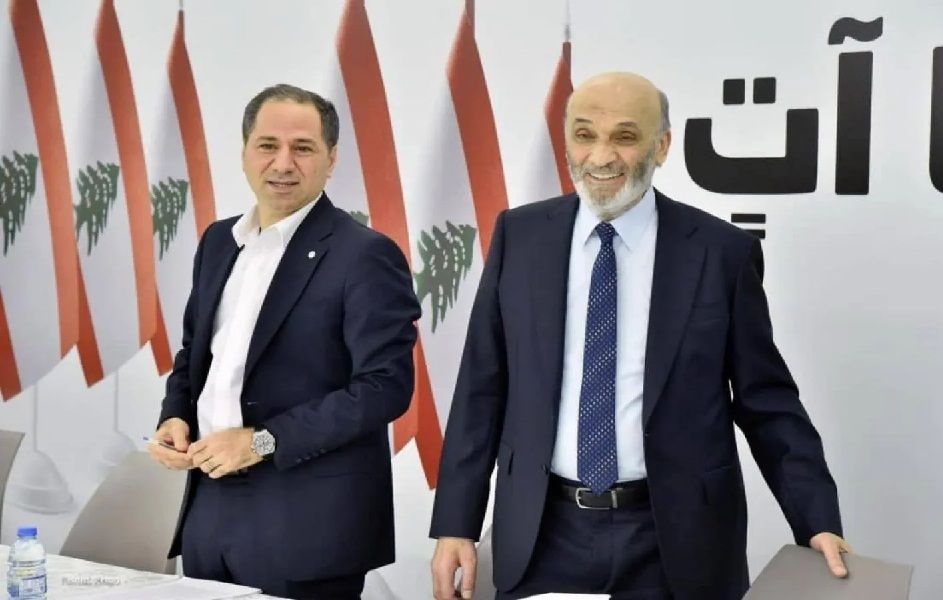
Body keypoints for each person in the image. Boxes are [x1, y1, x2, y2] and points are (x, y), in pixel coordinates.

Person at [429, 72, 850, 600]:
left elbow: (767, 402)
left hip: (677, 541)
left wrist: (816, 520)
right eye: (584, 135)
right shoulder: (520, 236)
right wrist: (456, 522)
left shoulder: (721, 253)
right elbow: (481, 388)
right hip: (541, 535)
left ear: (662, 146)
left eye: (625, 137)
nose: (601, 156)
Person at [149, 83, 420, 600]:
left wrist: (260, 441)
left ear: (331, 159)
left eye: (303, 148)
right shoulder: (218, 241)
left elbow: (385, 387)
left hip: (308, 525)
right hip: (209, 507)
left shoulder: (365, 255)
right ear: (245, 153)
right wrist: (175, 415)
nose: (283, 163)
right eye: (268, 145)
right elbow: (195, 354)